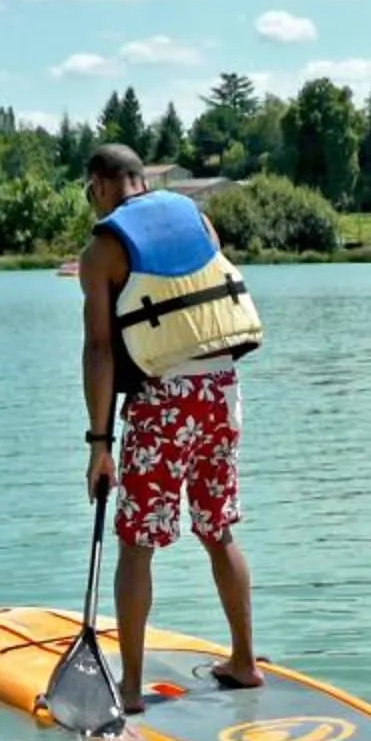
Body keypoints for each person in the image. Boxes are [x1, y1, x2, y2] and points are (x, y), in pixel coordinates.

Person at [78, 145, 261, 709]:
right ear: (141, 178)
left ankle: (131, 688)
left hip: (163, 402)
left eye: (90, 192)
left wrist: (100, 445)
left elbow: (100, 350)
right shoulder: (197, 218)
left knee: (137, 545)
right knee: (218, 529)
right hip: (222, 391)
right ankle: (244, 661)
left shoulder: (102, 250)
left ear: (101, 185)